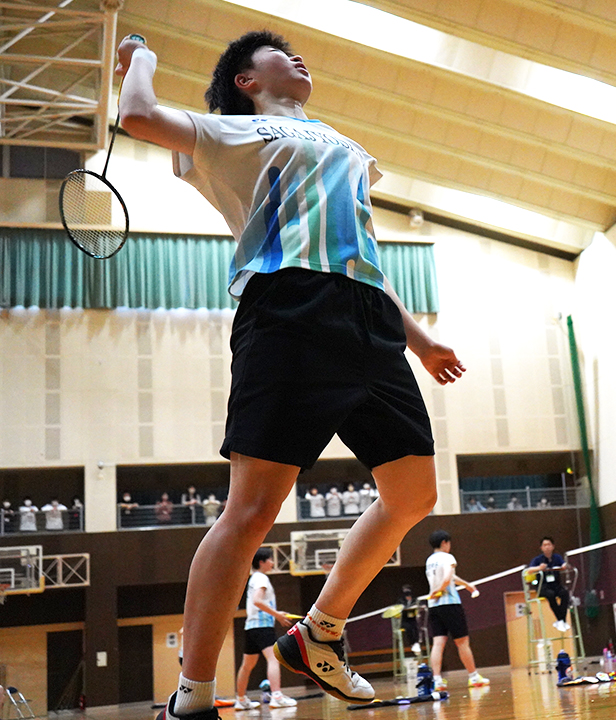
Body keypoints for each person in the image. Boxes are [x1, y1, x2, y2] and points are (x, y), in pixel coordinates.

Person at [115, 29, 464, 719]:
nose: (295, 55)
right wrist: (139, 61)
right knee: (251, 513)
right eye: (274, 52)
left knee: (413, 492)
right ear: (246, 81)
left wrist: (417, 340)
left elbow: (360, 251)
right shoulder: (237, 133)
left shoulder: (347, 147)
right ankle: (191, 695)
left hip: (366, 317)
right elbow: (138, 115)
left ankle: (319, 634)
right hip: (289, 310)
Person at [425, 530, 488, 691]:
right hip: (450, 604)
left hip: (434, 606)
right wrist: (439, 590)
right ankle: (474, 677)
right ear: (445, 542)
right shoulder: (448, 558)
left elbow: (451, 578)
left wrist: (466, 585)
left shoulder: (430, 560)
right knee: (462, 642)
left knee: (438, 643)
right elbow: (446, 578)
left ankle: (437, 681)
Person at [234, 549, 296, 709]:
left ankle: (240, 700)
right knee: (274, 659)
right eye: (270, 560)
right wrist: (278, 615)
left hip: (251, 627)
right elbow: (257, 601)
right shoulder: (261, 578)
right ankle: (277, 696)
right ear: (261, 562)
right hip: (262, 626)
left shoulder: (254, 578)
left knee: (247, 665)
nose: (273, 563)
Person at [529, 536, 573, 632]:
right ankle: (561, 620)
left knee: (564, 593)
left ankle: (561, 621)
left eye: (549, 545)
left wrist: (565, 566)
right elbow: (529, 570)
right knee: (550, 595)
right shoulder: (537, 560)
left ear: (553, 546)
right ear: (541, 548)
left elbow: (563, 564)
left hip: (555, 585)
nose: (547, 547)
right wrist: (539, 568)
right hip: (543, 586)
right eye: (544, 545)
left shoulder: (557, 557)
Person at [400, 585, 421, 654]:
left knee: (415, 627)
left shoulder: (415, 600)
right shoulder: (401, 600)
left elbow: (419, 606)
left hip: (413, 619)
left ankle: (416, 643)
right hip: (404, 620)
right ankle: (412, 643)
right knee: (408, 628)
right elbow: (398, 608)